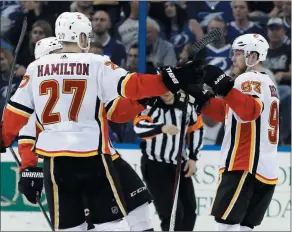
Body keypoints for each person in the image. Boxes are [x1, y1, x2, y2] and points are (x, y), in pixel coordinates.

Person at [0, 12, 202, 231]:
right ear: (80, 37)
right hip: (93, 156)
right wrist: (168, 80)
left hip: (55, 161)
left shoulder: (35, 69)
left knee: (69, 226)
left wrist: (3, 139)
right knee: (108, 224)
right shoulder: (96, 63)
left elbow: (15, 112)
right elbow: (132, 85)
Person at [18, 36, 154, 231]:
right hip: (72, 163)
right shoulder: (37, 93)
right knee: (100, 224)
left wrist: (141, 100)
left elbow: (114, 110)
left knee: (139, 207)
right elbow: (27, 138)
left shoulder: (82, 79)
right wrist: (28, 168)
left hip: (106, 158)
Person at [188, 34, 279, 231]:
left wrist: (224, 85)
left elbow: (249, 111)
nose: (233, 57)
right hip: (265, 170)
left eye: (238, 52)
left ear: (253, 56)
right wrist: (203, 100)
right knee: (244, 227)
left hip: (244, 164)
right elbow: (230, 114)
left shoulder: (247, 78)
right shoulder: (268, 83)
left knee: (226, 225)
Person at [134, 91, 204, 231]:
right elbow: (138, 127)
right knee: (172, 214)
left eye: (169, 88)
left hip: (180, 165)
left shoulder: (187, 107)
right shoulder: (150, 105)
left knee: (189, 211)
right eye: (161, 88)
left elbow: (196, 128)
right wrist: (161, 128)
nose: (165, 92)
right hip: (155, 166)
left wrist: (192, 158)